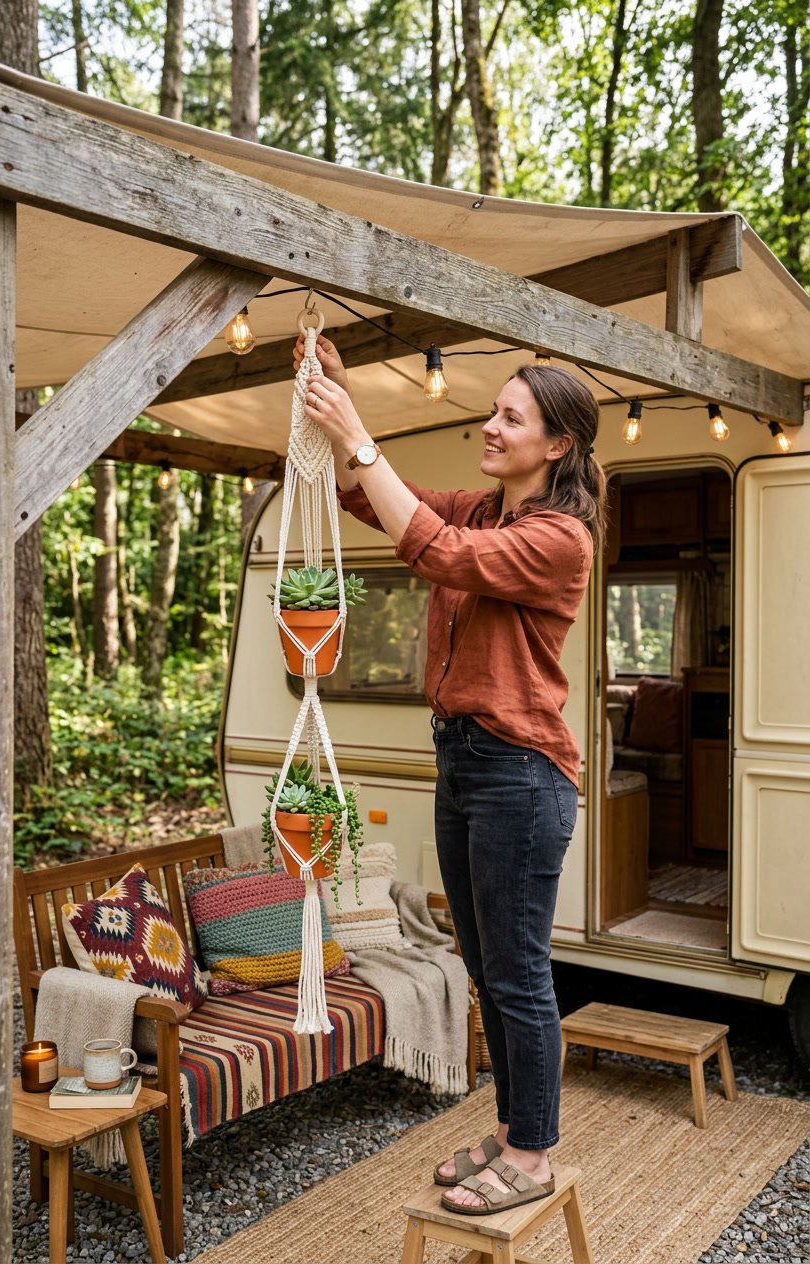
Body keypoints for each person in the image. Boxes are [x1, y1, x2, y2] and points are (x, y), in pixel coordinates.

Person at [294, 331, 606, 1215]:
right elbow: (381, 505)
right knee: (484, 962)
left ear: (558, 445)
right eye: (495, 410)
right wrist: (331, 399)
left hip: (520, 772)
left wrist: (360, 434)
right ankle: (513, 1133)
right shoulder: (486, 510)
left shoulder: (560, 538)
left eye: (513, 417)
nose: (492, 425)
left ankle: (534, 1156)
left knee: (517, 974)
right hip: (465, 763)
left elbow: (434, 552)